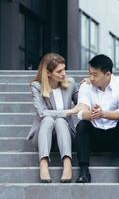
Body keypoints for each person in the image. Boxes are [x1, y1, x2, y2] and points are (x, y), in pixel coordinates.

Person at [75, 54, 119, 183]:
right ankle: (84, 172)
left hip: (114, 138)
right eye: (90, 73)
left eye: (95, 75)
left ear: (108, 74)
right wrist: (90, 113)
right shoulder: (86, 86)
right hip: (94, 138)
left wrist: (103, 114)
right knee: (82, 125)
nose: (91, 78)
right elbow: (80, 111)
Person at [26, 52, 84, 183]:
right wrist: (68, 111)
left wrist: (88, 86)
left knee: (59, 121)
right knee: (47, 119)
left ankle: (67, 163)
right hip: (43, 135)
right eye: (59, 71)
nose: (64, 73)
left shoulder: (71, 83)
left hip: (66, 135)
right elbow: (42, 112)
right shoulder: (37, 86)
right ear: (48, 73)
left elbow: (81, 104)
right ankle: (44, 163)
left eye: (64, 69)